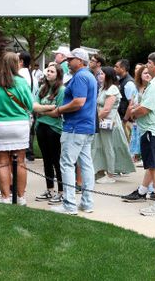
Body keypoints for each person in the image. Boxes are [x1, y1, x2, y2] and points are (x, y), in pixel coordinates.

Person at [50, 48, 98, 215]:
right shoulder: (89, 76)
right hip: (86, 126)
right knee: (86, 164)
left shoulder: (80, 77)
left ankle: (69, 204)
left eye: (71, 59)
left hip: (75, 126)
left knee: (67, 164)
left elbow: (78, 102)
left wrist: (59, 110)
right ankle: (86, 203)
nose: (68, 62)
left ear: (80, 61)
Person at [128, 51, 155, 216]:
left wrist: (133, 111)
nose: (146, 66)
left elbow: (145, 109)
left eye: (149, 63)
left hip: (152, 131)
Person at [0, 52, 33, 205]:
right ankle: (21, 197)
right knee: (20, 161)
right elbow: (30, 104)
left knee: (2, 162)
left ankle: (5, 197)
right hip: (19, 124)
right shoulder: (21, 82)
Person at [92, 67, 135, 183]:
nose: (99, 75)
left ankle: (110, 174)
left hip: (108, 122)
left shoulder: (112, 89)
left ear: (108, 75)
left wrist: (95, 119)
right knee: (100, 146)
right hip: (101, 121)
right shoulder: (103, 88)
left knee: (108, 147)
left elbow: (107, 109)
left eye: (102, 74)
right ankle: (101, 170)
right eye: (99, 73)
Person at [32, 64, 65, 204]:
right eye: (48, 71)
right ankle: (49, 189)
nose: (48, 73)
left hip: (54, 129)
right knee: (46, 160)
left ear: (58, 74)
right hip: (41, 126)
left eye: (52, 71)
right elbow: (34, 107)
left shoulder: (62, 90)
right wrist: (49, 108)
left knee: (56, 160)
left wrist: (43, 110)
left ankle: (62, 191)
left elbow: (58, 111)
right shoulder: (42, 88)